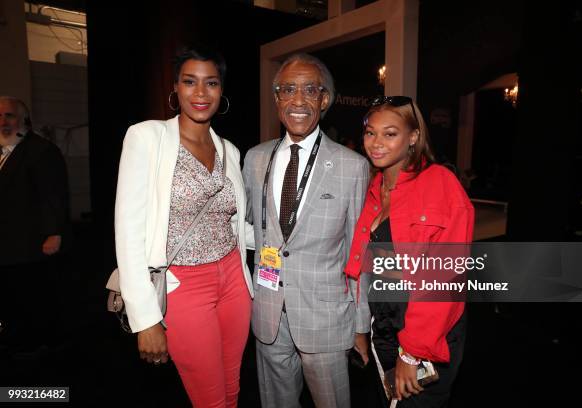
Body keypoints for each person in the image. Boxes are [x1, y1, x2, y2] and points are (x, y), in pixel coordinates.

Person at [114, 46, 253, 408]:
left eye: (211, 83)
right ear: (175, 88)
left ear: (222, 91)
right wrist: (144, 318)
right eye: (190, 82)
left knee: (233, 389)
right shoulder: (147, 138)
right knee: (209, 399)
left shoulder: (230, 151)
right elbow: (128, 231)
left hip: (234, 282)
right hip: (182, 287)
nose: (201, 93)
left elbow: (235, 223)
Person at [242, 53, 371, 408]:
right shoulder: (255, 158)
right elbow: (253, 229)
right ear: (277, 98)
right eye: (288, 89)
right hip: (269, 312)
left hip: (325, 317)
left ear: (324, 98)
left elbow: (357, 253)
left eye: (310, 90)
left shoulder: (352, 166)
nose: (298, 100)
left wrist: (361, 324)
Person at [345, 96, 474, 407]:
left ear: (413, 136)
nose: (376, 143)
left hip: (423, 333)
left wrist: (412, 351)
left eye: (390, 134)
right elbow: (366, 269)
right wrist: (362, 328)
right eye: (370, 132)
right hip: (383, 329)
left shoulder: (441, 183)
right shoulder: (375, 188)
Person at [0, 96, 69, 352]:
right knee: (12, 296)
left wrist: (54, 233)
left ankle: (41, 346)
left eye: (9, 115)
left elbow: (53, 195)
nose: (3, 122)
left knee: (35, 296)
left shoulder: (41, 150)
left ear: (23, 120)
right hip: (8, 244)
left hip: (31, 243)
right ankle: (17, 336)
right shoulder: (3, 150)